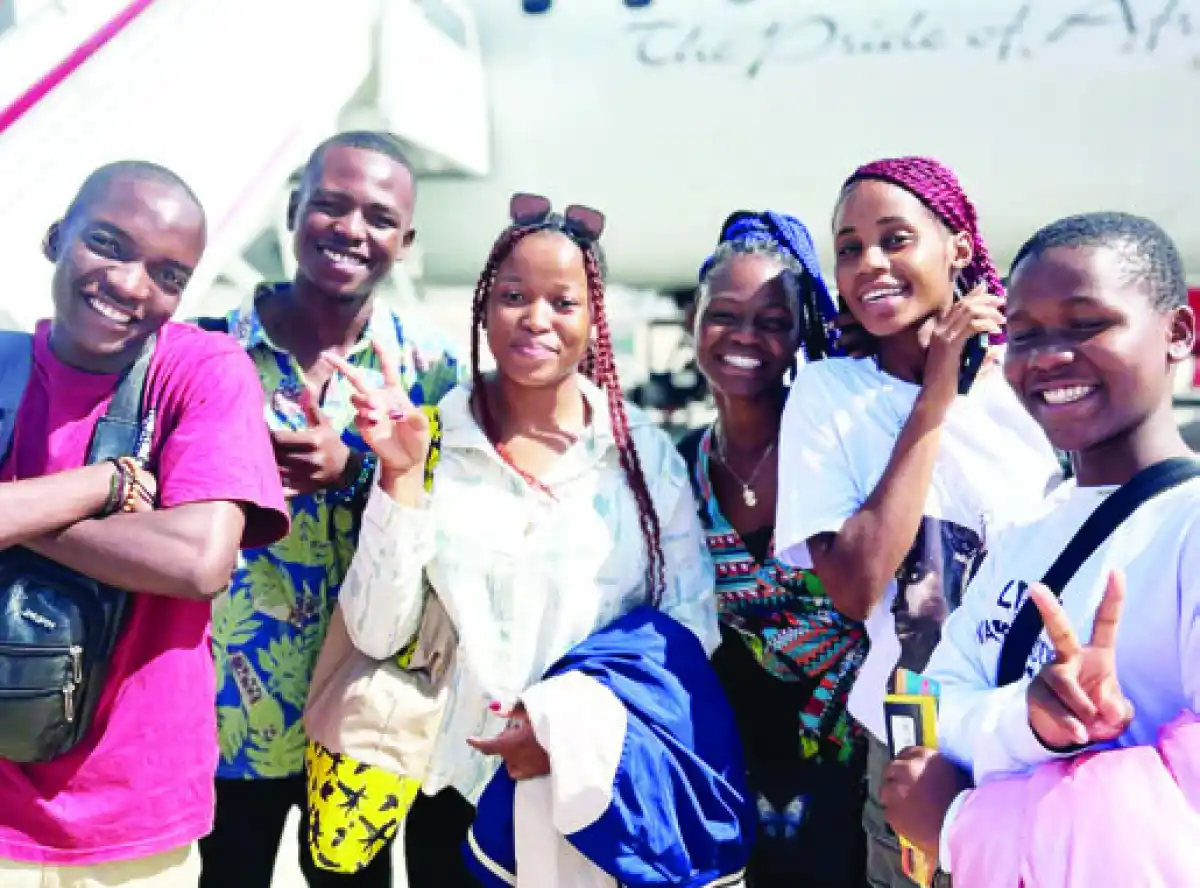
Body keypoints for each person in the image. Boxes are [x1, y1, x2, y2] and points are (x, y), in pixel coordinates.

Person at [327, 192, 722, 887]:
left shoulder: (642, 458)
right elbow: (376, 629)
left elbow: (690, 628)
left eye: (563, 302)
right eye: (514, 295)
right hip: (458, 800)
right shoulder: (433, 443)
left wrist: (566, 728)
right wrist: (399, 477)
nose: (536, 318)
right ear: (484, 306)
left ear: (594, 319)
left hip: (597, 795)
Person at [881, 212, 1200, 882]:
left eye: (1087, 325)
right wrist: (1030, 718)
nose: (1050, 356)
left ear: (1178, 335)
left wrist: (956, 824)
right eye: (1023, 335)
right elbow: (941, 701)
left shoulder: (1189, 527)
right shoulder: (1028, 531)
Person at [774, 156, 1062, 888]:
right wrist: (934, 393)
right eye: (848, 247)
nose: (869, 263)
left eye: (895, 239)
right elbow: (854, 581)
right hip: (913, 745)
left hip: (1042, 728)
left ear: (958, 247)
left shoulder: (1030, 382)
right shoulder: (828, 392)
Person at [0, 161, 289, 885]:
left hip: (132, 822)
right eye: (107, 243)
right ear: (55, 238)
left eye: (168, 274)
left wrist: (13, 511)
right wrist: (110, 483)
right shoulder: (3, 367)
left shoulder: (202, 370)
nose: (131, 285)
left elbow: (197, 561)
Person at [198, 131, 464, 888]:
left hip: (364, 720)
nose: (352, 229)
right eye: (331, 205)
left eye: (379, 218)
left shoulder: (435, 371)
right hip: (228, 719)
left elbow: (454, 526)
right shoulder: (207, 353)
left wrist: (355, 472)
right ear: (293, 211)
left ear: (406, 242)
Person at [679, 210, 869, 887]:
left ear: (801, 334)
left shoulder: (839, 453)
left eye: (772, 320)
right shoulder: (680, 468)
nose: (745, 337)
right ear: (694, 324)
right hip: (727, 766)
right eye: (725, 315)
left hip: (852, 759)